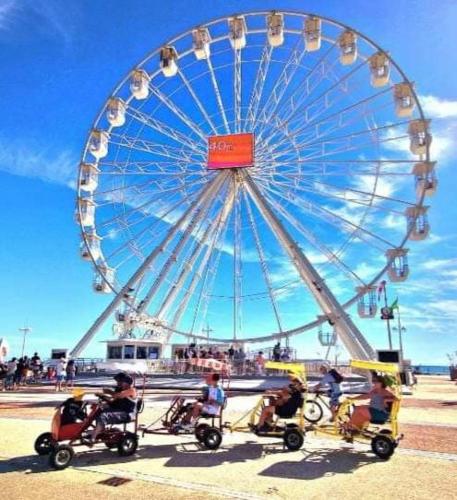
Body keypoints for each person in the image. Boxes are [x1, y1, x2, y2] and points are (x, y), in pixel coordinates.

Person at [89, 372, 137, 444]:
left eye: (120, 382)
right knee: (98, 411)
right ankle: (99, 431)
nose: (118, 384)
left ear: (126, 383)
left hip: (127, 413)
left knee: (103, 416)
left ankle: (93, 437)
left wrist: (109, 392)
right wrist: (102, 397)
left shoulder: (131, 390)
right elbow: (112, 401)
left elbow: (119, 396)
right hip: (118, 411)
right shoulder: (119, 389)